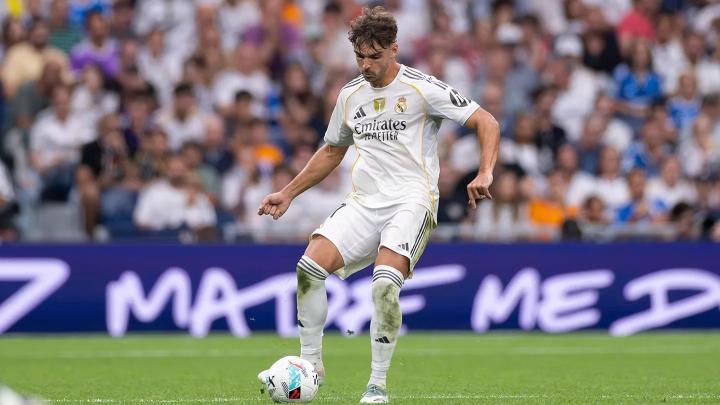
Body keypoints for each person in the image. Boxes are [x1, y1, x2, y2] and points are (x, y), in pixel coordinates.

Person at [255, 6, 500, 404]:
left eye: (374, 56)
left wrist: (485, 172)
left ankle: (377, 386)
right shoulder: (350, 95)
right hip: (365, 202)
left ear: (394, 49)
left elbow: (486, 121)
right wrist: (288, 192)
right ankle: (311, 364)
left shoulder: (422, 88)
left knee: (384, 285)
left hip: (412, 201)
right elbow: (332, 150)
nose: (366, 65)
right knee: (308, 269)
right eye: (359, 56)